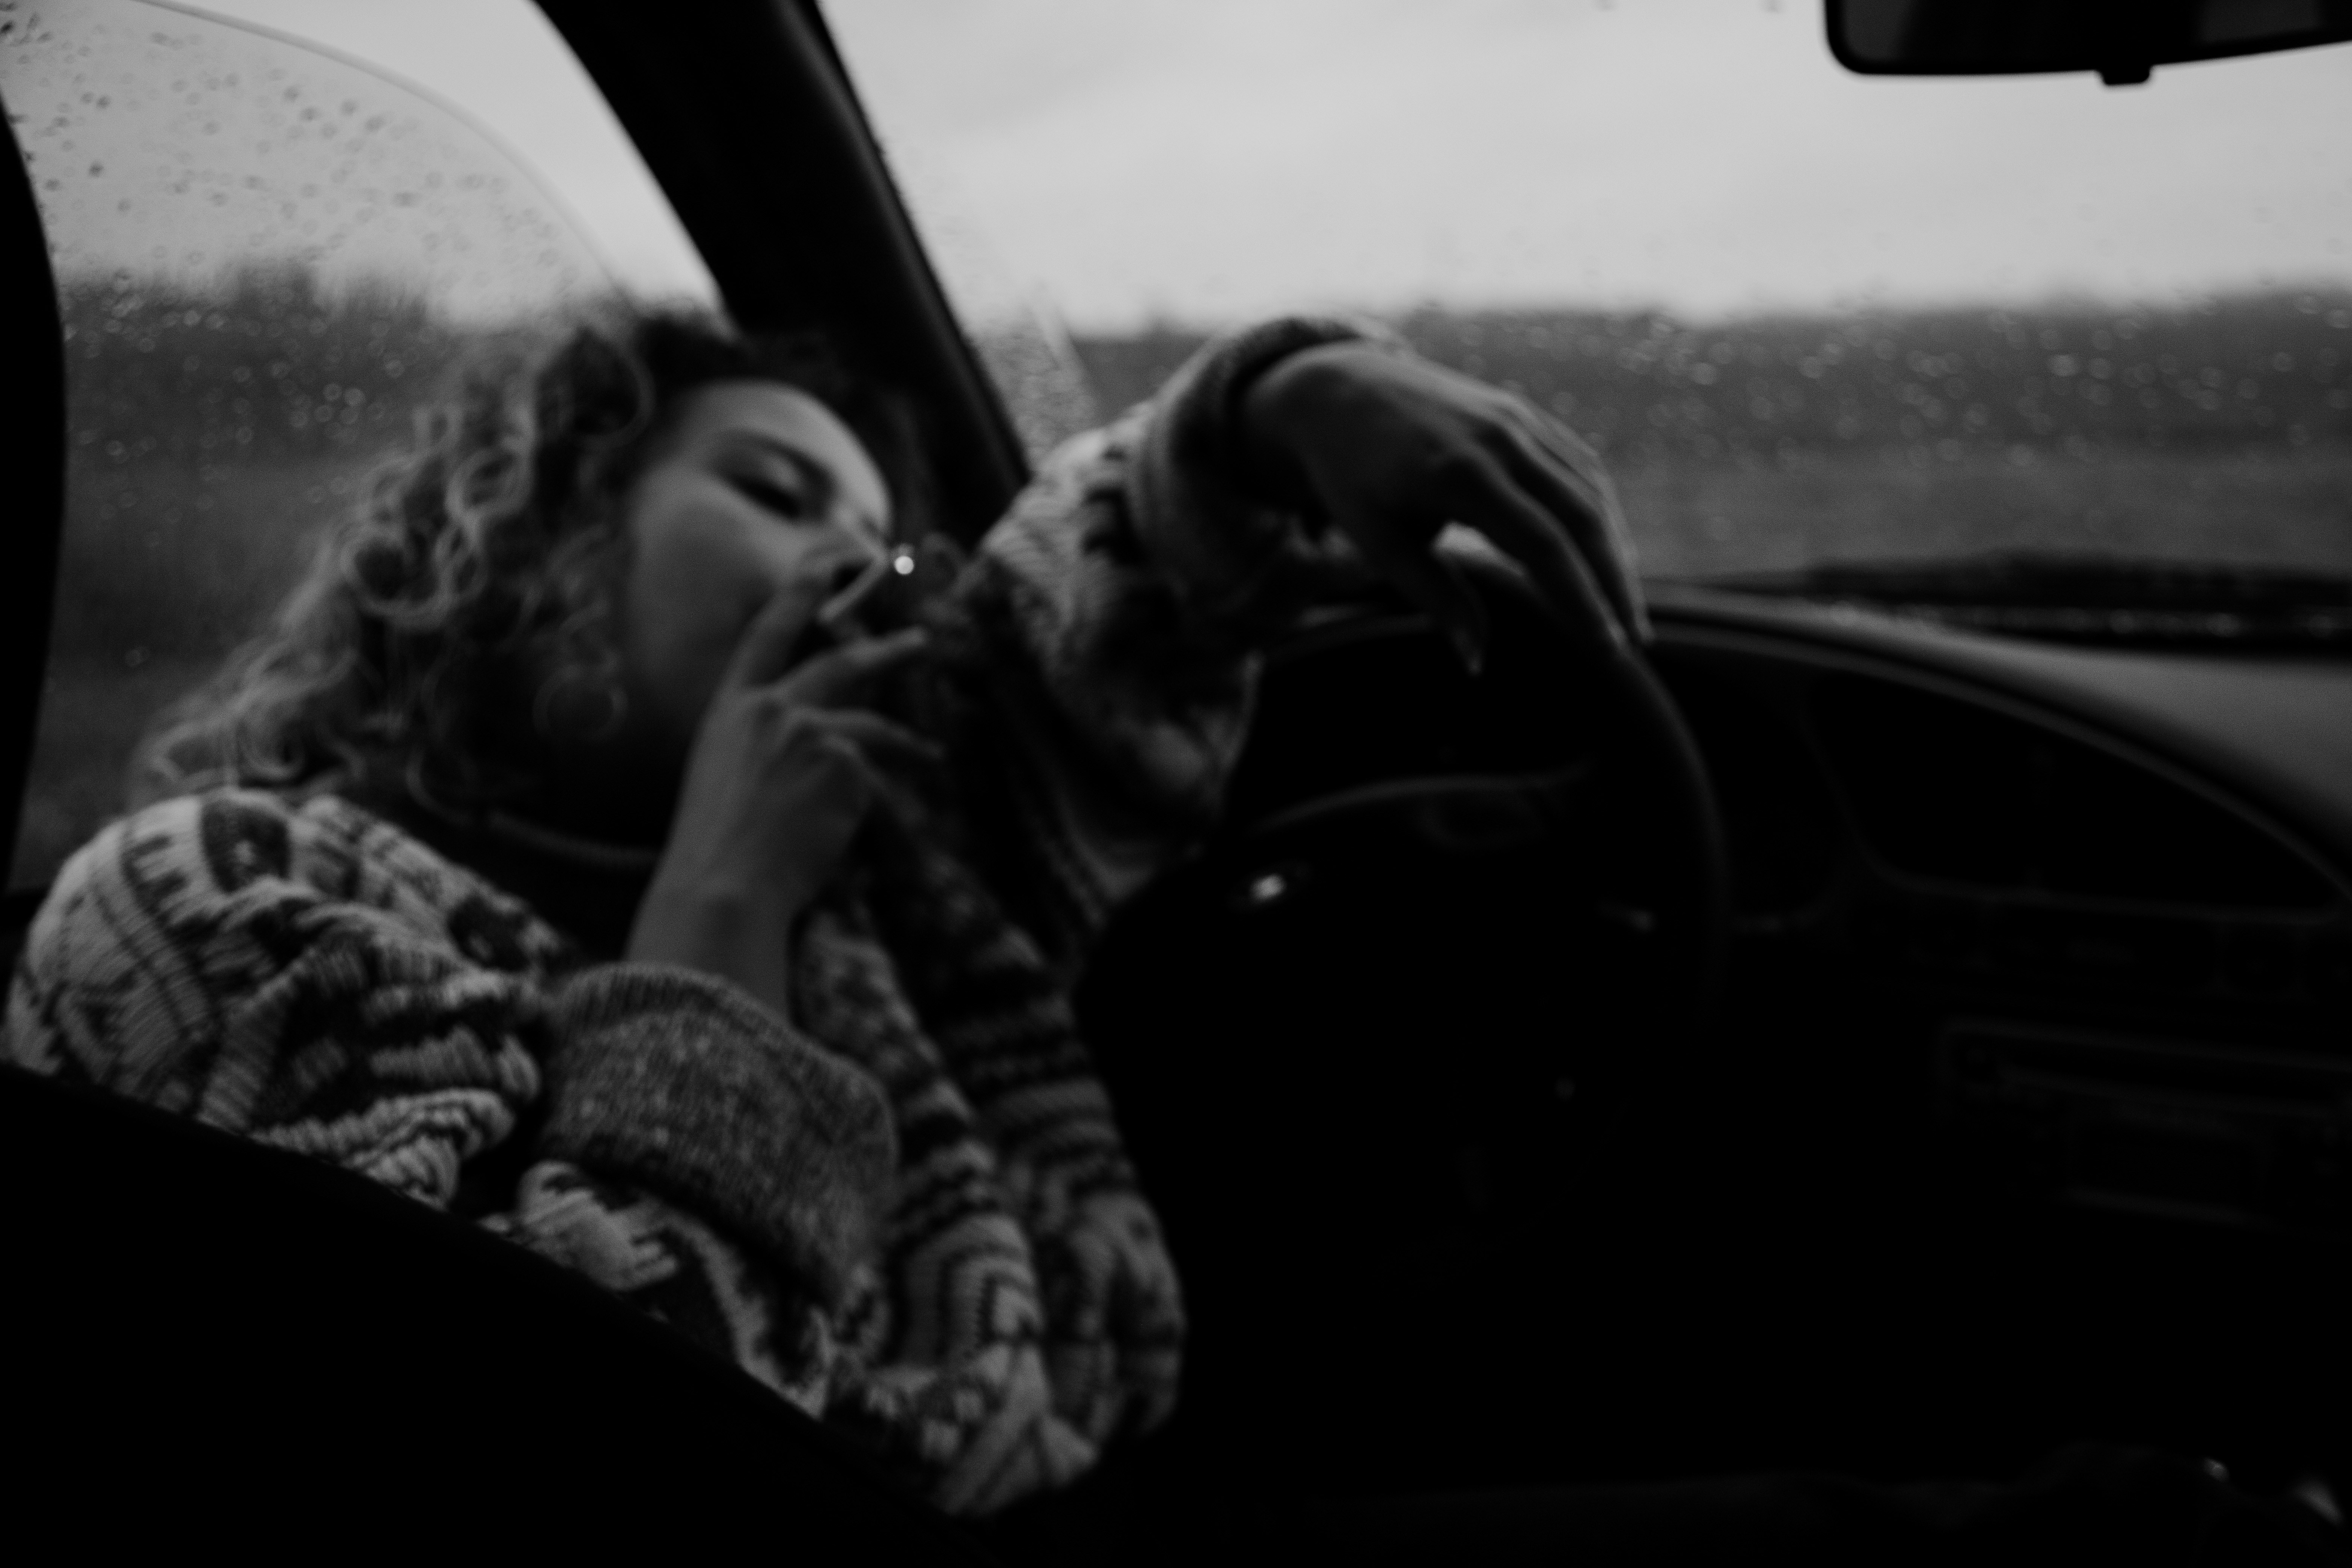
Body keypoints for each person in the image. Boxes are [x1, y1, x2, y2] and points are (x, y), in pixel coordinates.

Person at [6, 305, 2338, 1565]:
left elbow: (1082, 601)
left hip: (1135, 1481)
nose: (870, 568)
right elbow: (587, 1477)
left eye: (885, 521)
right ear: (522, 538)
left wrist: (1294, 398)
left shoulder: (912, 844)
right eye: (770, 489)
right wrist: (728, 891)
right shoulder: (223, 899)